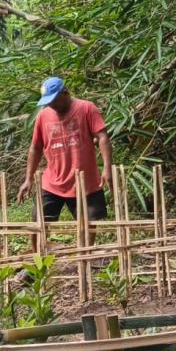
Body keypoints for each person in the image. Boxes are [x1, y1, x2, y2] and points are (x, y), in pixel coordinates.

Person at [17, 77, 113, 251]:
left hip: (85, 182)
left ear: (64, 92)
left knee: (87, 225)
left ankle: (83, 260)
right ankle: (36, 260)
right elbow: (35, 148)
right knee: (38, 220)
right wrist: (28, 178)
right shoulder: (43, 116)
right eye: (48, 101)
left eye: (54, 100)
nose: (51, 104)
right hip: (53, 182)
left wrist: (107, 168)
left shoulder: (86, 108)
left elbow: (102, 137)